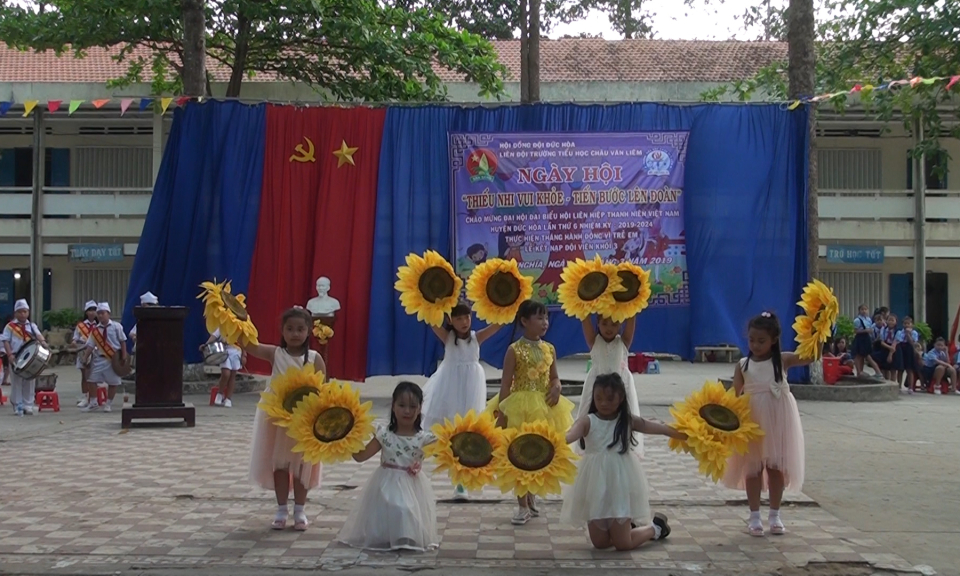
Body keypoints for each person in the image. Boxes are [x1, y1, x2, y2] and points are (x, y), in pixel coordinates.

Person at [561, 373, 683, 551]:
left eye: (610, 398)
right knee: (600, 544)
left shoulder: (627, 420)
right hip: (594, 484)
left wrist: (685, 434)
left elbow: (657, 427)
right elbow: (568, 436)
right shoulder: (587, 421)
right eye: (599, 398)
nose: (603, 403)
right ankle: (625, 529)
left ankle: (654, 528)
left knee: (623, 544)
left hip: (620, 483)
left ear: (621, 398)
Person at [486, 299, 575, 525]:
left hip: (544, 407)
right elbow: (505, 384)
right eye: (539, 318)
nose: (544, 322)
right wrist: (503, 412)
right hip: (518, 406)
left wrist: (556, 387)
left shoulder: (550, 348)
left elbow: (555, 377)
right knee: (517, 453)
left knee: (538, 451)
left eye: (546, 318)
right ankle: (521, 505)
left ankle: (532, 494)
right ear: (524, 321)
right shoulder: (514, 350)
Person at [722, 312, 811, 537]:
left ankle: (774, 514)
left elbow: (810, 356)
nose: (755, 345)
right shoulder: (743, 365)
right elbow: (734, 395)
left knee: (775, 467)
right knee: (752, 468)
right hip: (752, 420)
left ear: (773, 339)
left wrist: (818, 331)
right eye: (751, 339)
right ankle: (754, 516)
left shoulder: (782, 360)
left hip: (778, 419)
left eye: (761, 340)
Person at [244, 307, 325, 531]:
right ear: (282, 330)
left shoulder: (315, 358)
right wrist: (239, 319)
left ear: (309, 331)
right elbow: (250, 346)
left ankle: (300, 510)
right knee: (279, 465)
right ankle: (281, 509)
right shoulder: (275, 353)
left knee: (302, 466)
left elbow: (324, 389)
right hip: (277, 420)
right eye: (290, 329)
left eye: (300, 329)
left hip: (304, 421)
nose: (295, 334)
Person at [338, 381, 438, 552]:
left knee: (406, 508)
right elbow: (361, 456)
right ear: (393, 406)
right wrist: (345, 437)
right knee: (392, 506)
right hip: (386, 481)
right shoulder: (384, 435)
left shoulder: (425, 438)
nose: (407, 411)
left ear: (420, 408)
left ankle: (407, 536)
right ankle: (385, 536)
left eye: (413, 406)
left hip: (412, 485)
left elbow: (447, 454)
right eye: (402, 405)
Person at [420, 302, 502, 500]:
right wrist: (430, 302)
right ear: (450, 320)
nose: (464, 322)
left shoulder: (476, 337)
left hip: (471, 387)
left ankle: (462, 483)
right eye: (458, 318)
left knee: (467, 430)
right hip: (449, 385)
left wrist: (504, 308)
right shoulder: (447, 337)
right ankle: (423, 468)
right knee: (447, 429)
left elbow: (498, 324)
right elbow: (430, 321)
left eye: (467, 317)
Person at [578, 315, 643, 457]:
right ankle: (594, 445)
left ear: (621, 325)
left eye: (614, 324)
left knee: (622, 419)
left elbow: (631, 316)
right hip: (597, 389)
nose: (609, 328)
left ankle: (620, 446)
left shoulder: (624, 342)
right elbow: (584, 316)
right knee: (595, 418)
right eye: (604, 323)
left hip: (620, 388)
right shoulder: (593, 341)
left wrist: (631, 303)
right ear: (598, 323)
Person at [80, 303, 129, 413]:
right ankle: (93, 403)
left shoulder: (117, 326)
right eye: (99, 314)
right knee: (91, 380)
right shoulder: (95, 330)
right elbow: (90, 346)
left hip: (114, 359)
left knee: (113, 383)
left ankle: (108, 404)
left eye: (103, 313)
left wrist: (124, 356)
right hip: (99, 359)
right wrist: (85, 357)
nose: (101, 316)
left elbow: (122, 341)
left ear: (108, 314)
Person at [1, 299, 47, 416]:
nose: (23, 314)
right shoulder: (10, 326)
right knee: (16, 381)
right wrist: (9, 354)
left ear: (28, 312)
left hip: (30, 357)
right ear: (15, 313)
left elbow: (38, 335)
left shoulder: (31, 325)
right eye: (20, 312)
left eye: (25, 312)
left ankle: (28, 404)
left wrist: (43, 342)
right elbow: (5, 341)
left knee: (30, 380)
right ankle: (18, 405)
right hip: (16, 356)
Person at [202, 328, 245, 408]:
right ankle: (220, 393)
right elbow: (214, 336)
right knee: (225, 373)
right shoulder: (222, 326)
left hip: (236, 351)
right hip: (224, 351)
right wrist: (206, 345)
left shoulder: (239, 326)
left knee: (232, 376)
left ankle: (228, 398)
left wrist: (244, 355)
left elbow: (244, 341)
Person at [74, 301, 99, 408]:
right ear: (86, 312)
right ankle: (85, 397)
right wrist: (75, 344)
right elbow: (75, 340)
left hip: (96, 353)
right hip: (83, 352)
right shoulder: (80, 326)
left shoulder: (99, 325)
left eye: (94, 310)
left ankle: (93, 398)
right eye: (90, 310)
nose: (92, 313)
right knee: (84, 376)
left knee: (94, 377)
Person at [851, 304, 882, 379]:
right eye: (862, 309)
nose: (864, 311)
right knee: (858, 355)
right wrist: (865, 330)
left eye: (865, 309)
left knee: (866, 355)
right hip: (860, 338)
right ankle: (859, 372)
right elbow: (855, 331)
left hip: (867, 338)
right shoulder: (857, 320)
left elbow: (871, 328)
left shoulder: (868, 319)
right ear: (859, 311)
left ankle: (877, 372)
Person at [874, 313, 902, 382]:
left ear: (896, 322)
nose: (891, 322)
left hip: (895, 350)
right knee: (884, 368)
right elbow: (882, 341)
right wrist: (888, 348)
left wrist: (890, 355)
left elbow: (894, 344)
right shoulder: (883, 329)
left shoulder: (898, 331)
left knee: (893, 369)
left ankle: (892, 384)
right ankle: (885, 383)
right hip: (885, 348)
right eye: (889, 320)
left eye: (893, 320)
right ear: (886, 321)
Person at [896, 317, 920, 392]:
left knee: (909, 369)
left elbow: (913, 342)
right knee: (900, 369)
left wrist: (908, 334)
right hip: (901, 349)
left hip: (909, 349)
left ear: (911, 325)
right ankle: (899, 385)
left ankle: (910, 387)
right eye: (905, 323)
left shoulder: (914, 333)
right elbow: (898, 341)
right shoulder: (899, 332)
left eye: (908, 323)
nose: (906, 325)